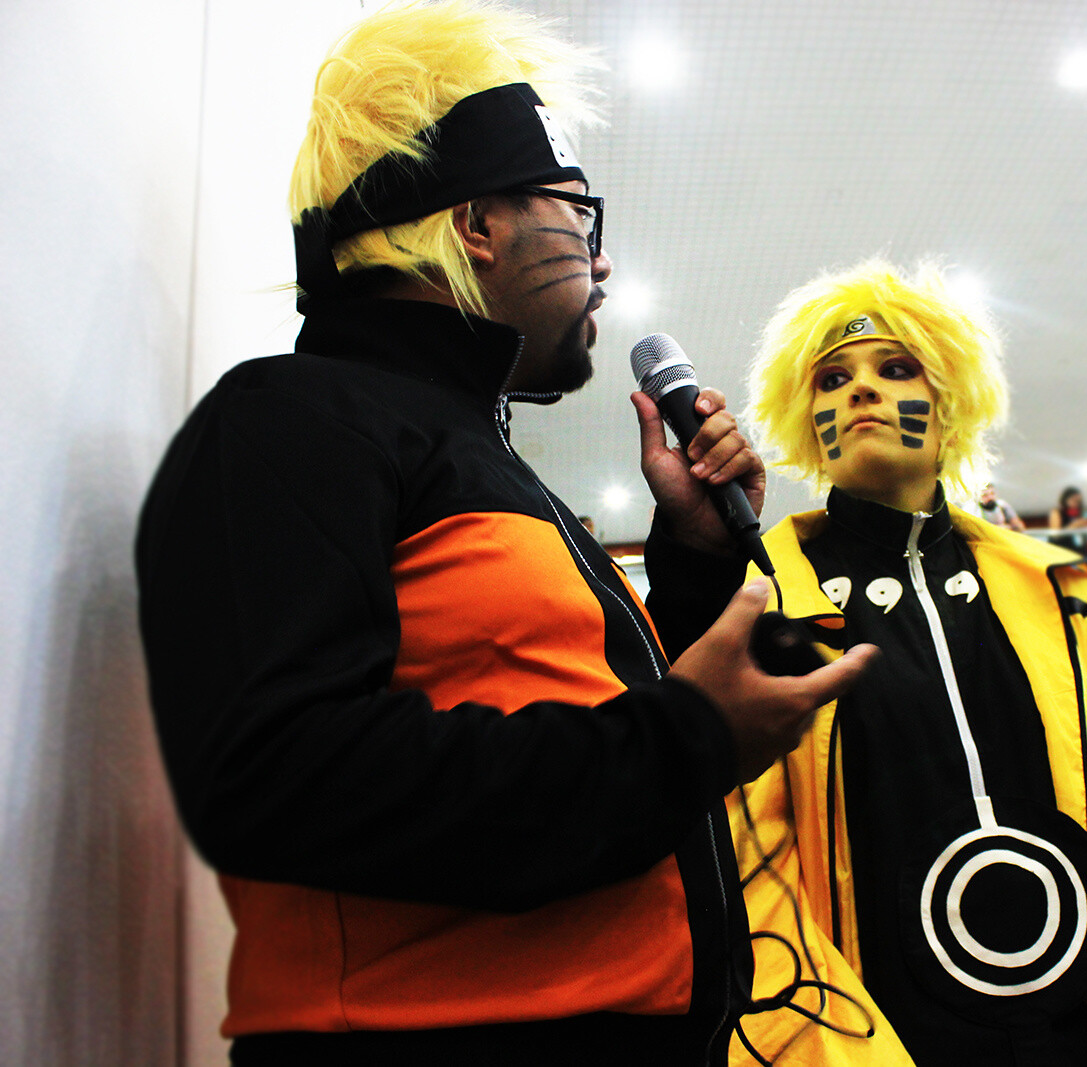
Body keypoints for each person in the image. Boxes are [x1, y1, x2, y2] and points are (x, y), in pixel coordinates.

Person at [133, 4, 874, 1062]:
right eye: (581, 216)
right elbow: (279, 776)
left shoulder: (478, 458)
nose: (602, 265)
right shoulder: (290, 419)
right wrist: (685, 738)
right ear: (477, 222)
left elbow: (560, 714)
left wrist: (695, 556)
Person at [733, 259, 1087, 1066]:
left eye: (896, 369)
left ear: (949, 407)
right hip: (887, 1041)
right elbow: (759, 882)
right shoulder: (767, 613)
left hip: (1085, 1036)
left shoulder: (1059, 590)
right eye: (831, 380)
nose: (860, 391)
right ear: (802, 418)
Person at [1046, 484, 1087, 558]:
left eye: (1079, 501)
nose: (1076, 503)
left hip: (1079, 550)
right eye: (1073, 500)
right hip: (1061, 550)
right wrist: (1073, 526)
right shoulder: (1057, 512)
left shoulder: (1081, 513)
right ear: (1065, 499)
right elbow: (1055, 535)